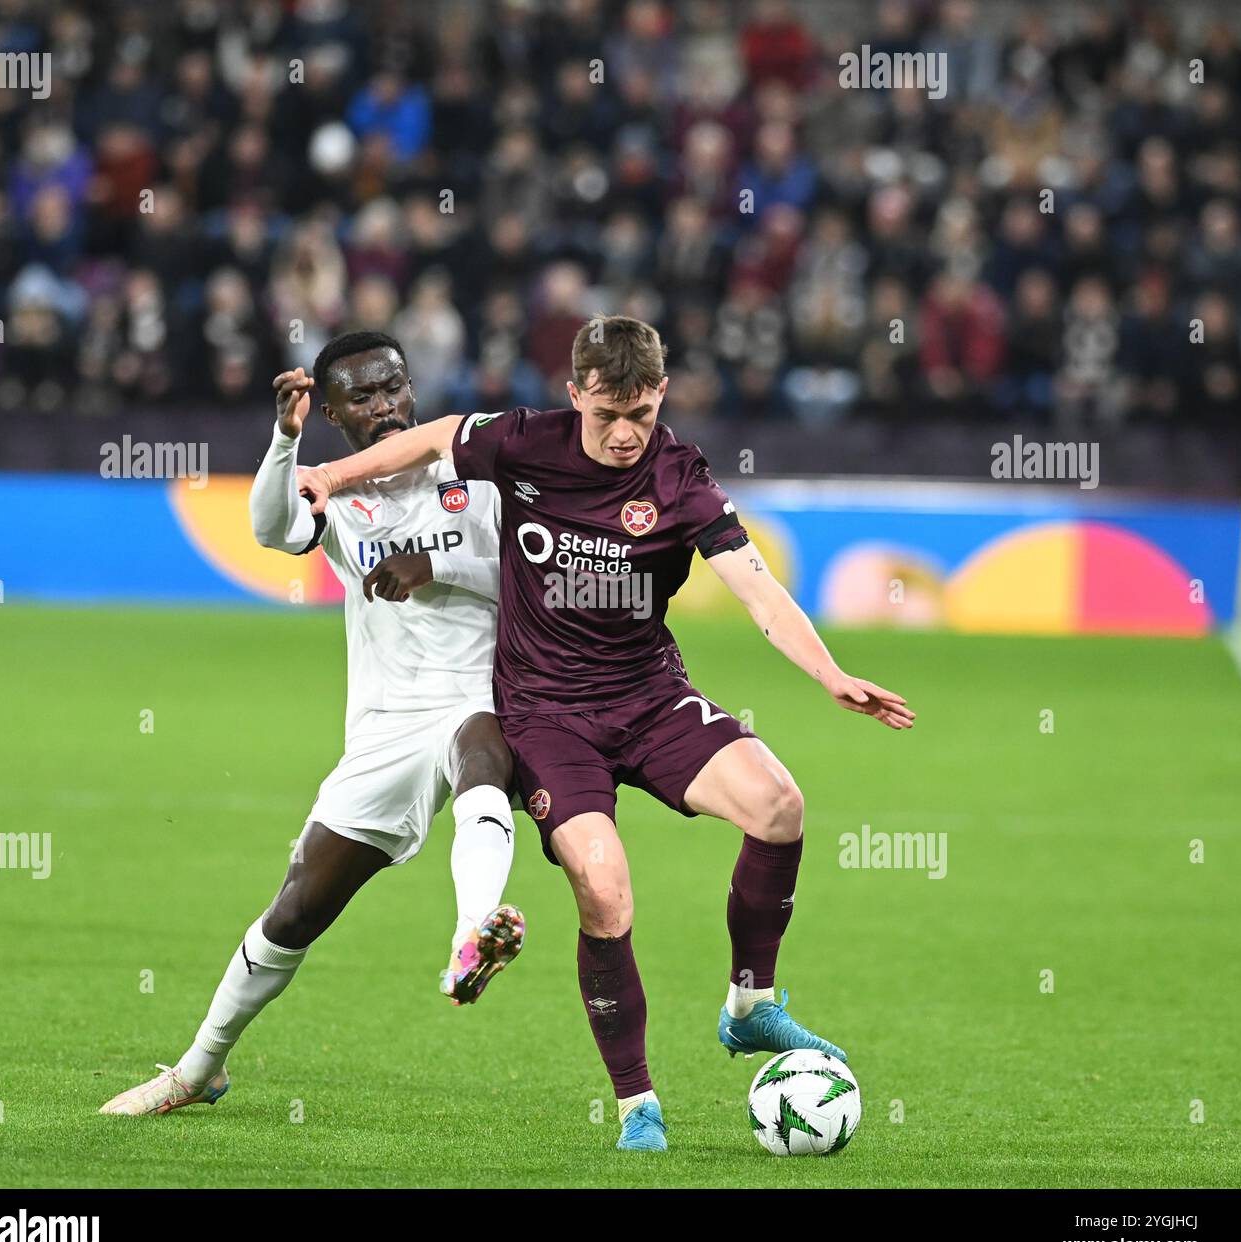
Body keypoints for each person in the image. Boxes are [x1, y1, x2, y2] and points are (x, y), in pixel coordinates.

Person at [295, 316, 915, 1150]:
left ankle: (751, 1002)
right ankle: (637, 1105)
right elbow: (436, 436)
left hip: (649, 695)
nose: (625, 436)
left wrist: (830, 672)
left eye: (642, 414)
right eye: (606, 415)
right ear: (575, 394)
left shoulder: (680, 475)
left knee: (779, 805)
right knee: (604, 884)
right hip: (547, 717)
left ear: (662, 395)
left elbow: (758, 589)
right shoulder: (523, 442)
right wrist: (328, 474)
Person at [100, 331, 524, 1117]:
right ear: (332, 412)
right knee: (295, 910)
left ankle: (474, 933)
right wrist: (283, 440)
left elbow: (528, 573)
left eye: (394, 387)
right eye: (362, 397)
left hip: (482, 692)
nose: (386, 406)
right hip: (385, 722)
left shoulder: (474, 464)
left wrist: (438, 567)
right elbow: (270, 527)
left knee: (481, 756)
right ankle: (199, 1069)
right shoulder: (336, 491)